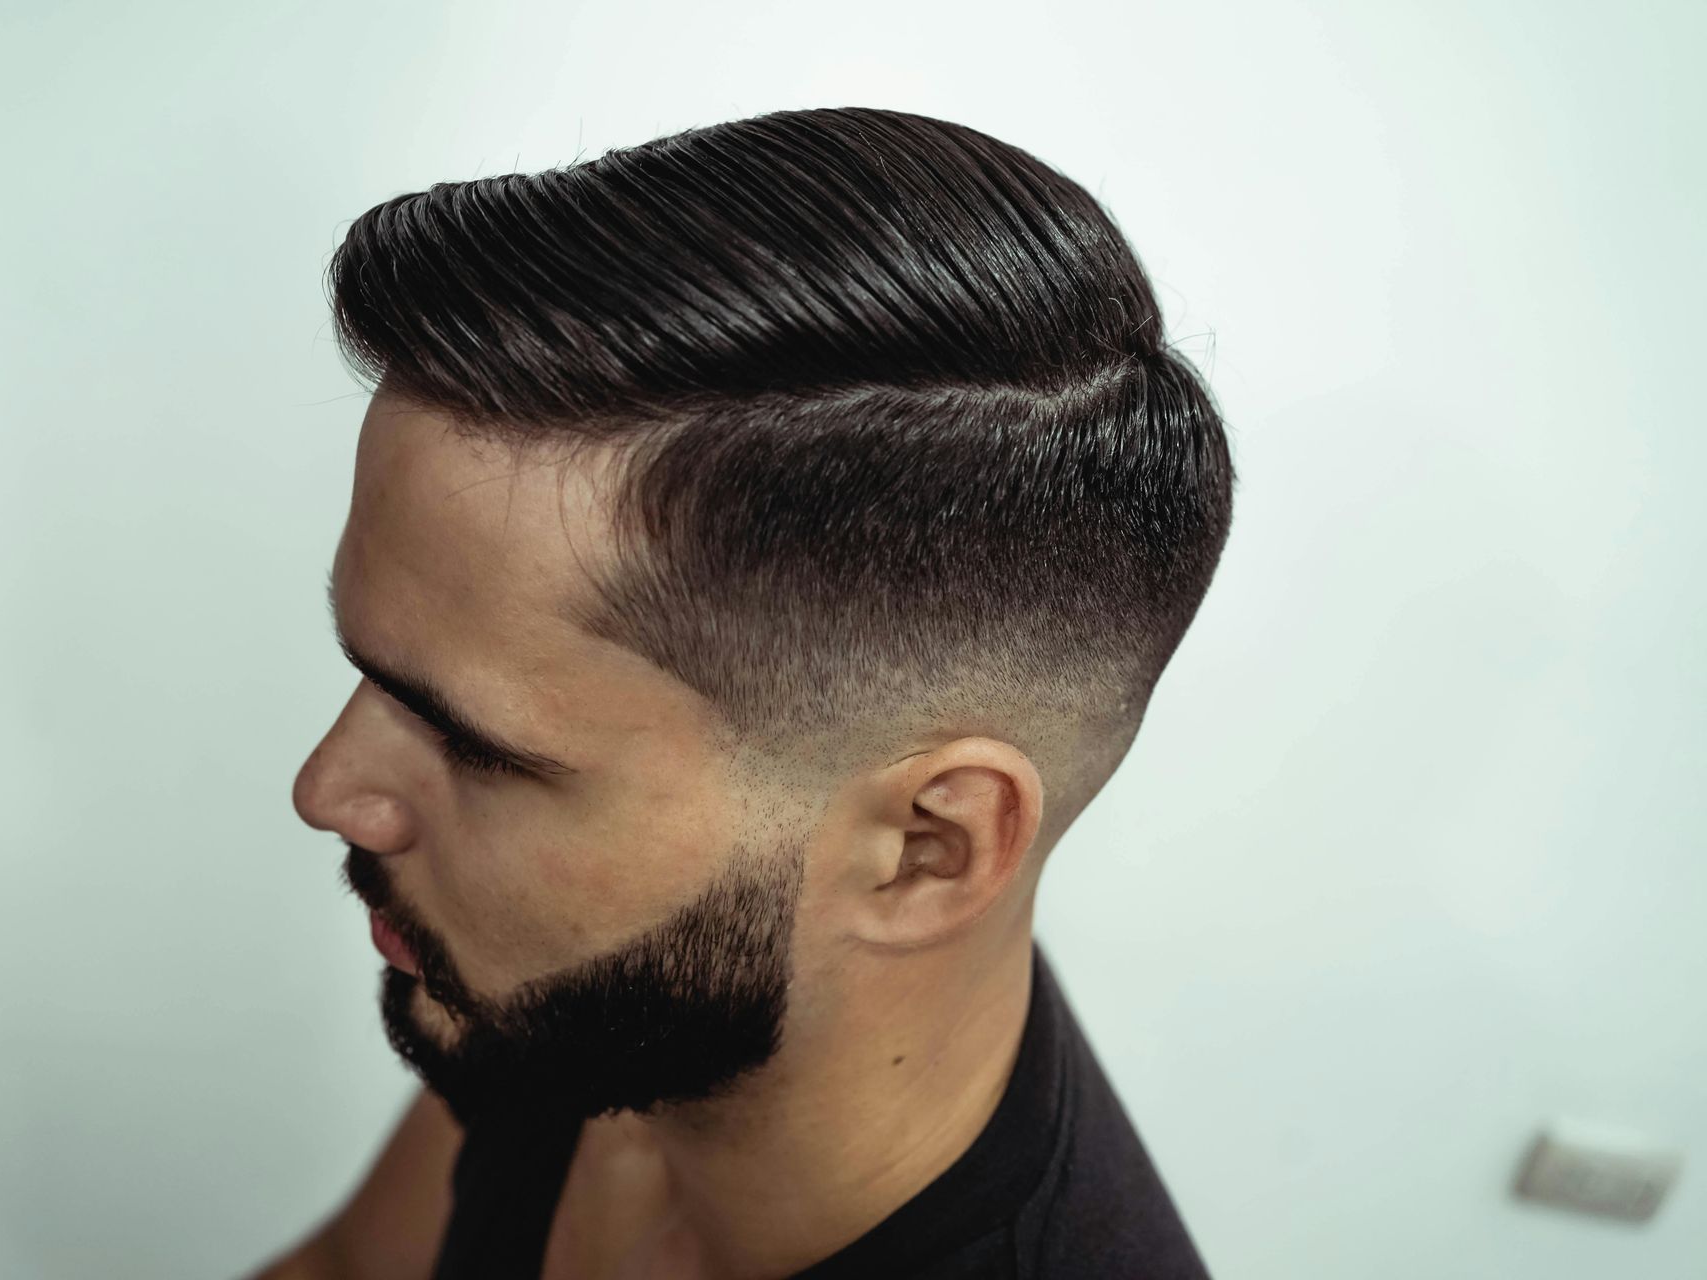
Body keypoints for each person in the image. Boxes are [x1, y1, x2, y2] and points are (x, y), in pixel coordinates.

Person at [248, 105, 1233, 1280]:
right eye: (372, 672)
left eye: (479, 749)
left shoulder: (607, 971)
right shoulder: (603, 1010)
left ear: (926, 848)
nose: (326, 787)